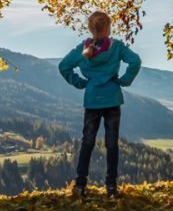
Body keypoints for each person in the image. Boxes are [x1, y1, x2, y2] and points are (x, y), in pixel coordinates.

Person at [58, 11, 141, 198]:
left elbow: (64, 66)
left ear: (90, 28)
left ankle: (80, 184)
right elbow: (135, 61)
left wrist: (80, 82)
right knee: (112, 143)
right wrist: (125, 80)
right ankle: (111, 186)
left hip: (92, 99)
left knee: (87, 141)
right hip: (112, 98)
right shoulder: (117, 47)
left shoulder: (83, 49)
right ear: (109, 27)